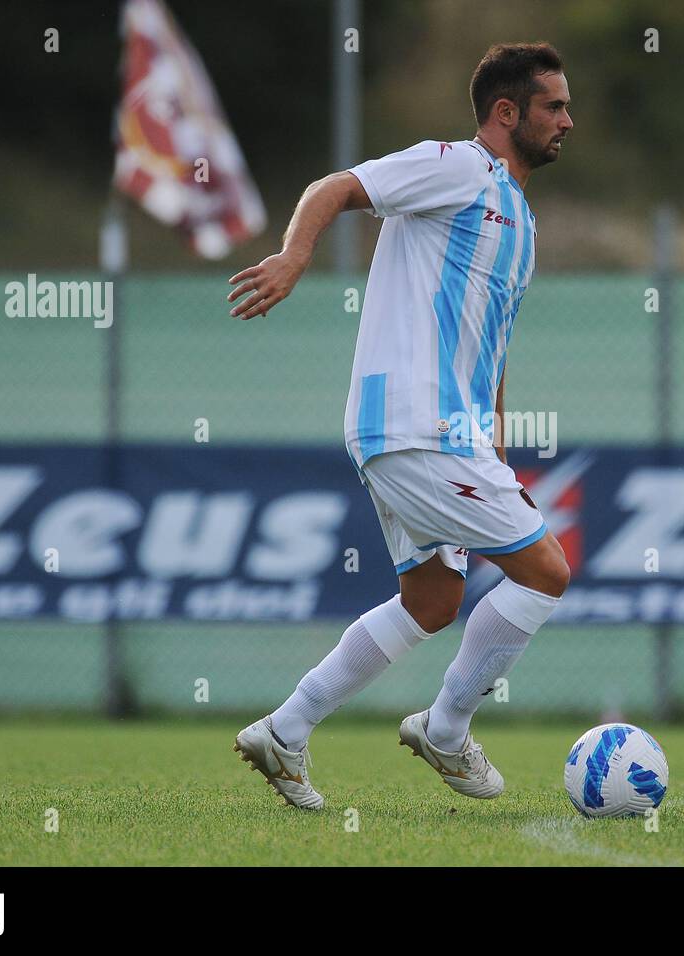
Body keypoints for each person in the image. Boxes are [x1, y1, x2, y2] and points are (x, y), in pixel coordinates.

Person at [225, 43, 575, 808]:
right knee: (547, 571)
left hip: (437, 433)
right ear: (506, 113)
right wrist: (293, 256)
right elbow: (337, 187)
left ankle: (284, 731)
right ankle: (446, 729)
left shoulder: (520, 216)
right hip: (415, 424)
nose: (567, 121)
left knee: (432, 600)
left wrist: (497, 447)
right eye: (553, 106)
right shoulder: (458, 168)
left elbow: (492, 344)